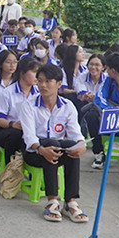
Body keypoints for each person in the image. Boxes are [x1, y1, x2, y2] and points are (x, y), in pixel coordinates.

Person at [20, 64, 88, 222]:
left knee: (71, 146)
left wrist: (81, 146)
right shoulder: (29, 106)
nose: (42, 85)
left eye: (48, 81)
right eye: (40, 81)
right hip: (34, 152)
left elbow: (75, 133)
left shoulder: (67, 106)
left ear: (58, 83)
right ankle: (52, 201)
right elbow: (29, 136)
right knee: (52, 143)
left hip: (55, 148)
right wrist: (41, 149)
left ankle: (70, 202)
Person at [0, 56, 39, 166]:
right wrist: (13, 124)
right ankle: (11, 170)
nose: (37, 76)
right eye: (34, 72)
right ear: (22, 72)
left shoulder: (39, 93)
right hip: (9, 130)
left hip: (32, 130)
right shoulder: (8, 92)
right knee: (16, 135)